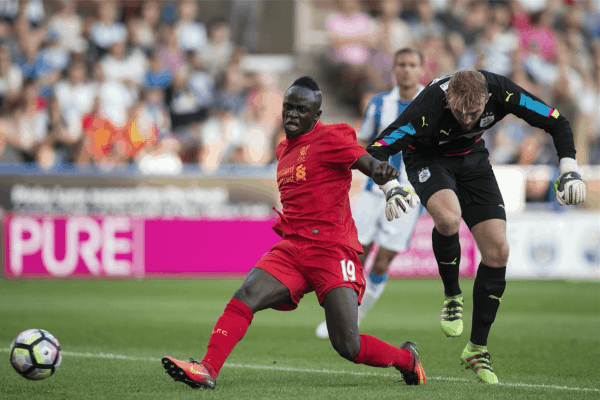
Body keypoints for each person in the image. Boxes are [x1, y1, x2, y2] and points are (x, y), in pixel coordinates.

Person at [161, 76, 426, 389]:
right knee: (246, 294)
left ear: (316, 116)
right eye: (288, 107)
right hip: (294, 249)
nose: (292, 114)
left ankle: (408, 361)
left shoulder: (332, 137)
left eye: (301, 110)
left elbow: (367, 162)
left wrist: (389, 184)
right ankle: (206, 368)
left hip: (332, 250)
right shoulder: (284, 148)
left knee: (347, 346)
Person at [367, 69, 586, 384]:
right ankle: (452, 296)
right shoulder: (428, 108)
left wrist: (569, 169)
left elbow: (556, 120)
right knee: (448, 218)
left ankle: (476, 348)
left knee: (498, 251)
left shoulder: (503, 92)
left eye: (474, 113)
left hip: (473, 161)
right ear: (448, 100)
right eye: (459, 113)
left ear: (487, 99)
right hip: (428, 160)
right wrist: (390, 188)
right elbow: (377, 148)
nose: (467, 119)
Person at [315, 48, 425, 340]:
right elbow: (361, 145)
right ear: (394, 69)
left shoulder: (432, 105)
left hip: (410, 196)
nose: (406, 69)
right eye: (401, 64)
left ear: (421, 70)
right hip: (372, 192)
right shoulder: (379, 103)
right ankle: (344, 317)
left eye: (412, 64)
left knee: (382, 262)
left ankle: (357, 316)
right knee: (355, 256)